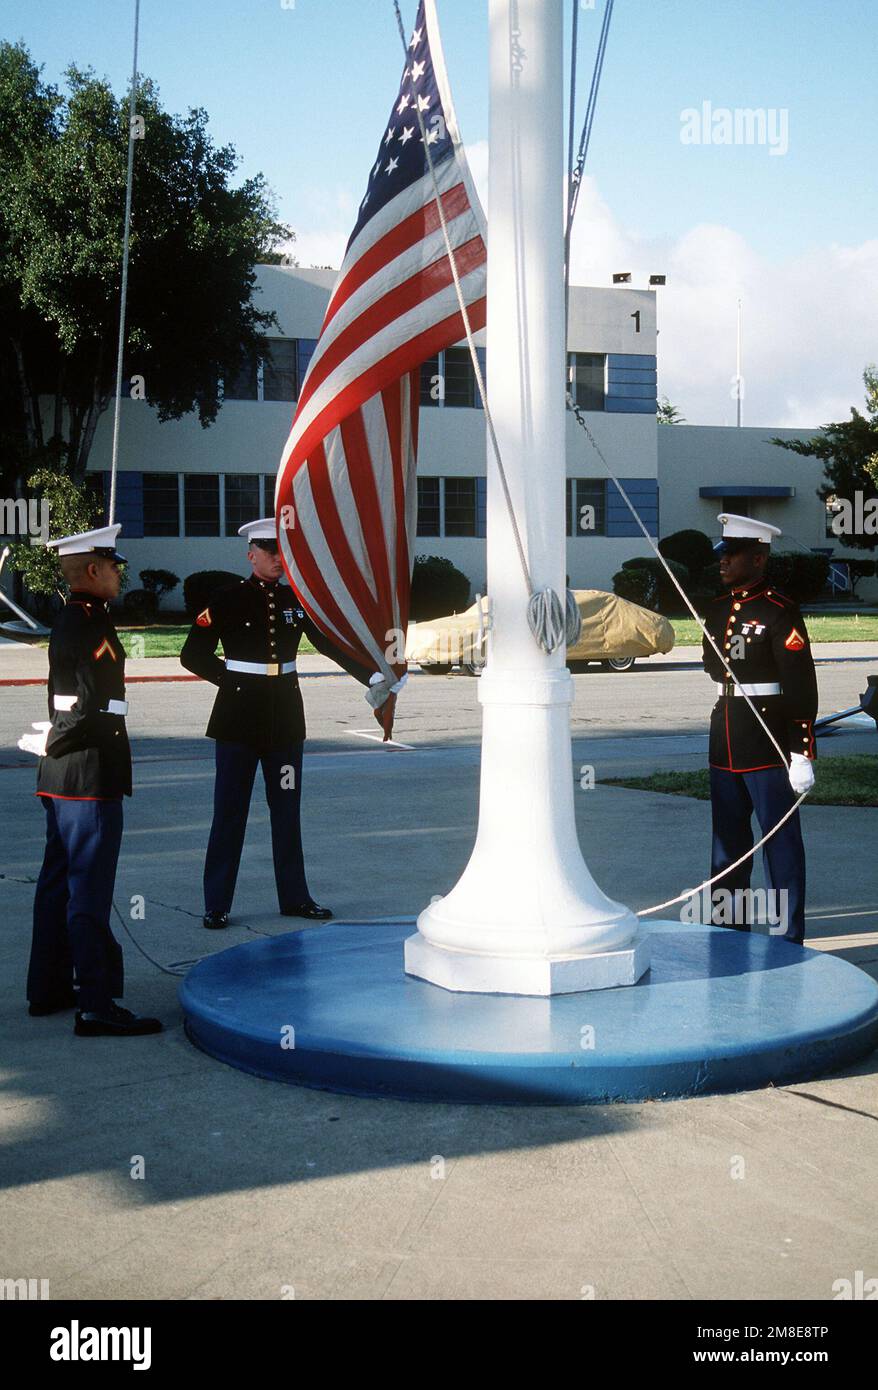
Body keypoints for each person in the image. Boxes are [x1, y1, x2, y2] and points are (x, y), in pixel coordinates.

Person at [180, 518, 374, 928]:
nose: (277, 559)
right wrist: (232, 682)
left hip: (284, 722)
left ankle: (296, 898)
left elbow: (327, 643)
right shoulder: (227, 598)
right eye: (269, 551)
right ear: (251, 554)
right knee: (229, 812)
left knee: (286, 810)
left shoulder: (294, 600)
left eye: (282, 551)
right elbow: (192, 655)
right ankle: (216, 903)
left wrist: (372, 675)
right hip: (237, 722)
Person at [20, 525, 162, 1036]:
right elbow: (83, 707)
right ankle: (96, 1005)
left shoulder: (76, 617)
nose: (121, 573)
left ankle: (49, 987)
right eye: (114, 566)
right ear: (94, 571)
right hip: (86, 773)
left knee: (57, 884)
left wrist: (51, 743)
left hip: (62, 776)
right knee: (89, 890)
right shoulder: (88, 623)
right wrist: (54, 739)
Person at [701, 513, 818, 945]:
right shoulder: (715, 610)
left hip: (768, 745)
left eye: (732, 555)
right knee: (727, 850)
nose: (723, 562)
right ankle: (728, 933)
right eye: (722, 554)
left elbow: (800, 684)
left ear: (757, 558)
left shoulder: (779, 611)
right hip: (726, 740)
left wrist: (801, 750)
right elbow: (714, 667)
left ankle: (787, 938)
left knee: (780, 848)